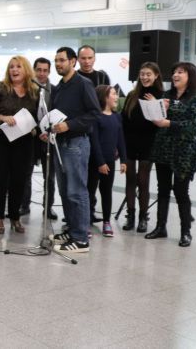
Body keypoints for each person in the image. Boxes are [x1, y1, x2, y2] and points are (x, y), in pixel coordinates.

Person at [48, 47, 101, 253]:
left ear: (73, 62)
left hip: (76, 144)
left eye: (62, 60)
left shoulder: (83, 84)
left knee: (77, 191)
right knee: (65, 191)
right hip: (59, 143)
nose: (58, 64)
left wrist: (69, 125)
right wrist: (49, 128)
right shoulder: (59, 86)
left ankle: (81, 238)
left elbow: (95, 113)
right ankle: (71, 230)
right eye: (56, 61)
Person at [146, 62, 196, 247]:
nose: (175, 75)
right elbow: (158, 119)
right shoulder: (166, 95)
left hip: (183, 153)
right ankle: (160, 227)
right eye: (174, 72)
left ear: (191, 76)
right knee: (162, 189)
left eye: (180, 72)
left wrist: (168, 122)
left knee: (181, 192)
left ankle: (185, 231)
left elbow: (192, 126)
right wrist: (155, 108)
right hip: (163, 149)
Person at [0, 56, 39, 234]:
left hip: (24, 142)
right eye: (11, 67)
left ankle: (15, 217)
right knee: (0, 179)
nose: (14, 70)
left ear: (26, 70)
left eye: (18, 67)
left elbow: (38, 116)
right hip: (0, 140)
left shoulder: (34, 91)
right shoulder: (1, 87)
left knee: (19, 180)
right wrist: (2, 117)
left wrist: (34, 128)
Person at [121, 62, 164, 232]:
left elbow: (161, 121)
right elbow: (124, 120)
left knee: (143, 181)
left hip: (149, 143)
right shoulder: (132, 95)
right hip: (130, 142)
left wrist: (155, 103)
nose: (145, 77)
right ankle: (130, 215)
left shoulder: (161, 95)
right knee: (130, 179)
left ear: (156, 76)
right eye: (142, 74)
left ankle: (143, 217)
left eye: (148, 74)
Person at [21, 57, 58, 220]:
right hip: (30, 137)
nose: (42, 73)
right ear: (33, 70)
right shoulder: (25, 89)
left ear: (49, 72)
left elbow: (58, 115)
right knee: (25, 173)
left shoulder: (55, 90)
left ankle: (48, 207)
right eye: (39, 70)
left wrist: (49, 131)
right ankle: (24, 205)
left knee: (49, 176)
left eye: (45, 70)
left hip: (47, 139)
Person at [87, 85, 127, 237]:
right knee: (89, 191)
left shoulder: (117, 117)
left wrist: (123, 160)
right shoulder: (96, 117)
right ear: (104, 97)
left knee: (106, 191)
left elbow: (121, 139)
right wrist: (100, 162)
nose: (117, 97)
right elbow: (94, 141)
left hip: (110, 162)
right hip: (95, 161)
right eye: (114, 94)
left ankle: (106, 221)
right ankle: (86, 221)